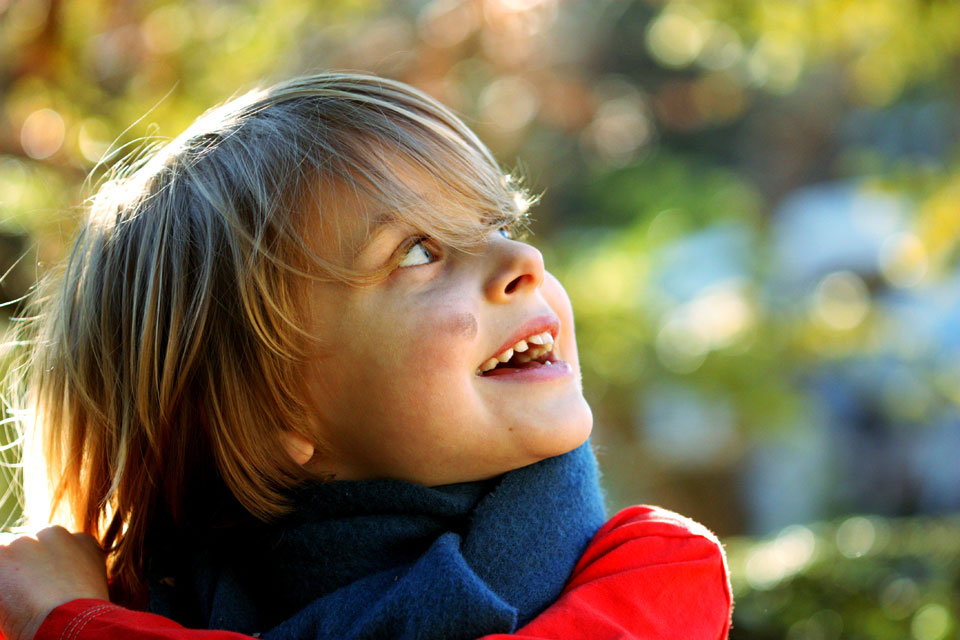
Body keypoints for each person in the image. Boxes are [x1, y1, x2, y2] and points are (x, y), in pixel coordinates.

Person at [0, 73, 732, 640]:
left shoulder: (654, 575)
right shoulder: (137, 596)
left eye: (499, 222)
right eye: (418, 252)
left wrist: (71, 624)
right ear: (270, 414)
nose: (523, 257)